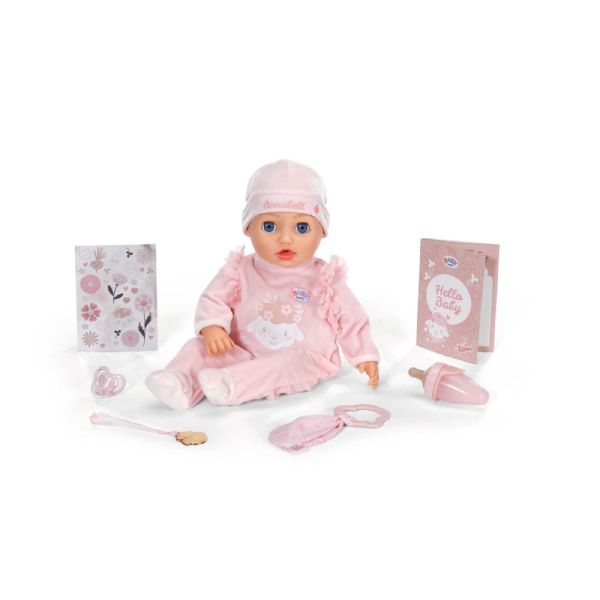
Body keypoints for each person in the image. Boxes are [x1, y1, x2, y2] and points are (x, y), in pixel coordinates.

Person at [146, 159, 380, 408]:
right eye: (270, 226)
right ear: (249, 228)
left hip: (305, 359)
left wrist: (364, 354)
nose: (285, 238)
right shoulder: (239, 269)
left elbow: (351, 318)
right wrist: (213, 327)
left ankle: (230, 385)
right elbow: (214, 298)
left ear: (322, 231)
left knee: (287, 362)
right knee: (198, 347)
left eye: (302, 227)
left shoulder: (325, 278)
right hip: (242, 352)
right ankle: (179, 382)